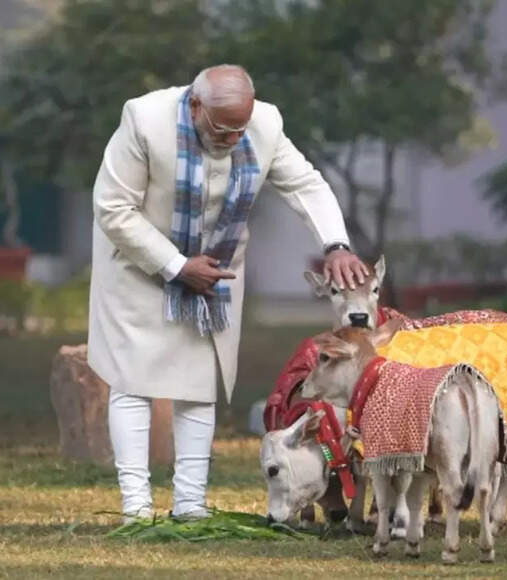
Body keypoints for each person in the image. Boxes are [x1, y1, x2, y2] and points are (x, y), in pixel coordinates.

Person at [88, 64, 367, 521]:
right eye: (223, 130)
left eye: (241, 129)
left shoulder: (265, 124)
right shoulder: (144, 119)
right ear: (196, 105)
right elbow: (113, 208)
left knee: (200, 383)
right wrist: (177, 266)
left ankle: (190, 504)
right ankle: (136, 507)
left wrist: (336, 245)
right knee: (132, 381)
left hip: (215, 274)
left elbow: (305, 184)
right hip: (140, 263)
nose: (234, 139)